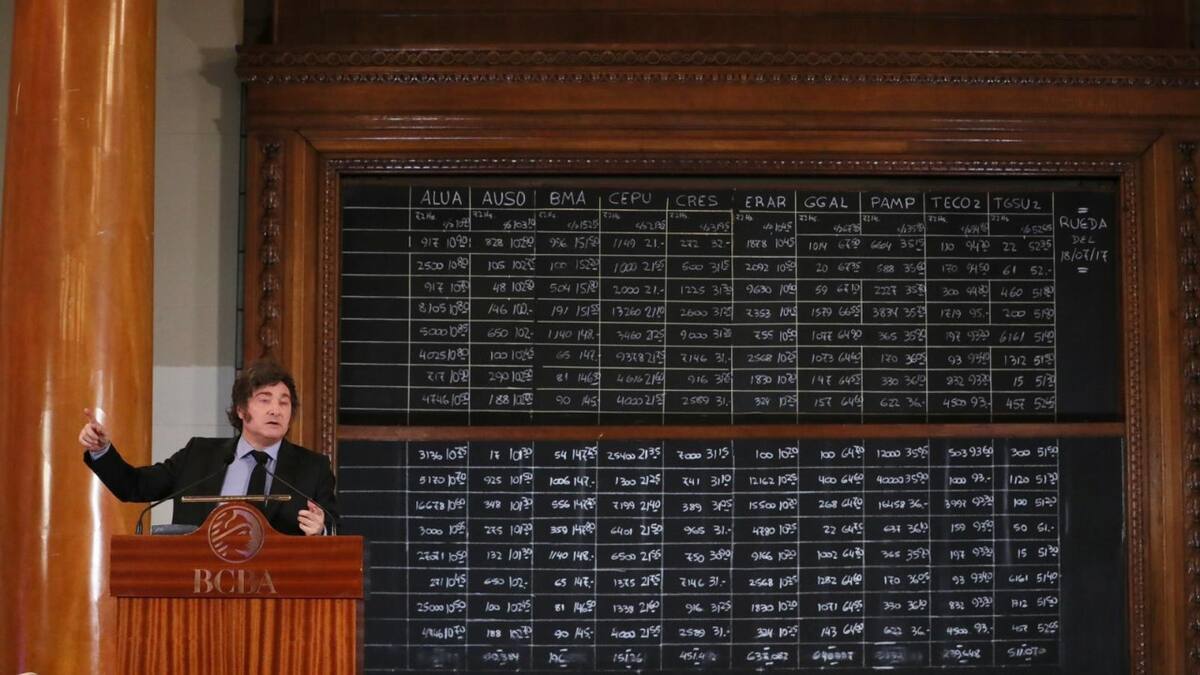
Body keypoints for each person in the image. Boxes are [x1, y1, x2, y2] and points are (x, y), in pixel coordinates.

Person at [80, 358, 336, 535]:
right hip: (200, 594)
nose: (275, 410)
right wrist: (102, 450)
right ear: (241, 409)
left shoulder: (313, 468)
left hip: (277, 601)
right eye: (264, 399)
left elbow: (335, 530)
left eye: (284, 402)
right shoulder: (199, 456)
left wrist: (322, 530)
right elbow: (134, 486)